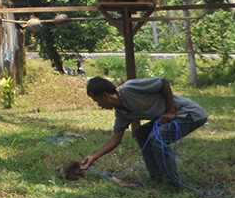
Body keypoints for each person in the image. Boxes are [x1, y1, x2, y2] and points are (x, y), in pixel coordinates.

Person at [80, 76, 209, 184]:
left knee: (157, 139)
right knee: (141, 133)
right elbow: (116, 139)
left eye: (97, 101)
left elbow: (163, 83)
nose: (99, 106)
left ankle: (172, 183)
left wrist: (170, 110)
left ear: (105, 95)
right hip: (168, 118)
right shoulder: (122, 113)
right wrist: (93, 157)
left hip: (188, 113)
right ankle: (157, 177)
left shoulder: (130, 88)